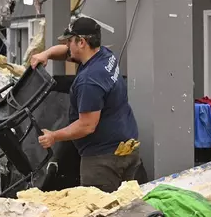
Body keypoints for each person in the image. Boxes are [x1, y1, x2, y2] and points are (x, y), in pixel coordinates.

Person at [30, 17, 140, 193]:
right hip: (126, 147)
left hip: (103, 160)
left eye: (70, 41)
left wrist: (54, 136)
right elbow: (67, 53)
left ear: (81, 42)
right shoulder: (104, 56)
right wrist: (47, 54)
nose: (67, 45)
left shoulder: (89, 81)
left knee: (101, 214)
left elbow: (87, 125)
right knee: (126, 205)